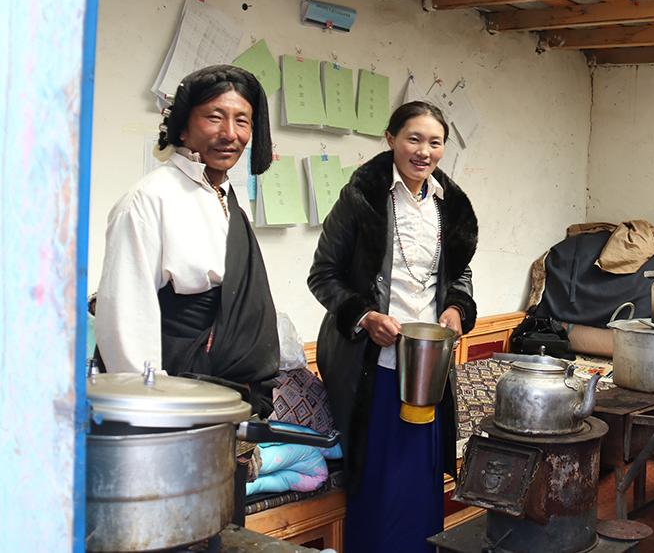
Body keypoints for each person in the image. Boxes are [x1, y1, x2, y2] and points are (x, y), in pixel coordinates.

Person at [309, 101, 478, 553]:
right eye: (413, 139)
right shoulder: (361, 198)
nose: (424, 151)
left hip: (429, 363)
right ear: (391, 139)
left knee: (421, 477)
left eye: (435, 142)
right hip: (374, 362)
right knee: (380, 475)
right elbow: (323, 274)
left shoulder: (449, 205)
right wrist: (365, 316)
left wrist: (457, 308)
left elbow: (459, 272)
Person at [94, 64, 280, 416]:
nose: (230, 133)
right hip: (178, 397)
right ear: (183, 126)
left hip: (227, 396)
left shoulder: (224, 197)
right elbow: (126, 315)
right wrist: (151, 406)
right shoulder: (150, 199)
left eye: (242, 121)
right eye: (214, 117)